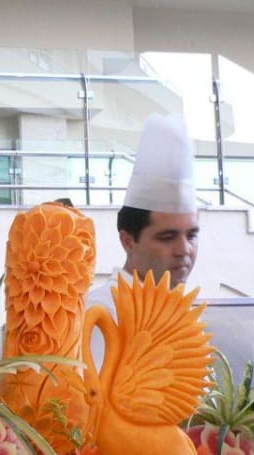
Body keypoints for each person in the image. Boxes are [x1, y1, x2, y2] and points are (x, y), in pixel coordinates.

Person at [86, 114, 199, 365]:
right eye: (167, 237)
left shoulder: (186, 314)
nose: (184, 249)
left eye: (192, 235)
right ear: (128, 241)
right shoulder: (101, 312)